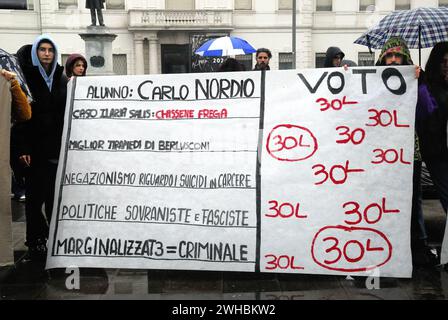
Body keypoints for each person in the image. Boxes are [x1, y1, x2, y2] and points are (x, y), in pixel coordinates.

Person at [376, 36, 438, 267]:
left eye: (397, 55)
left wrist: (419, 83)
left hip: (407, 154)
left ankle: (418, 246)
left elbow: (427, 110)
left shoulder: (414, 81)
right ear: (382, 60)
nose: (393, 60)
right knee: (381, 202)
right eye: (388, 56)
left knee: (412, 201)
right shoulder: (371, 83)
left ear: (405, 58)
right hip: (378, 157)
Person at [12, 35, 68, 262]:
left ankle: (53, 238)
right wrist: (22, 148)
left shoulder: (60, 78)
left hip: (57, 147)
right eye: (42, 49)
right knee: (35, 199)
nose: (47, 53)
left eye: (50, 50)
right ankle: (35, 240)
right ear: (36, 53)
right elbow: (20, 116)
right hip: (34, 149)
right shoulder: (26, 77)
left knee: (55, 199)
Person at [416, 42, 448, 216]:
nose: (446, 66)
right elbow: (429, 120)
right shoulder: (426, 88)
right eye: (443, 62)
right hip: (438, 154)